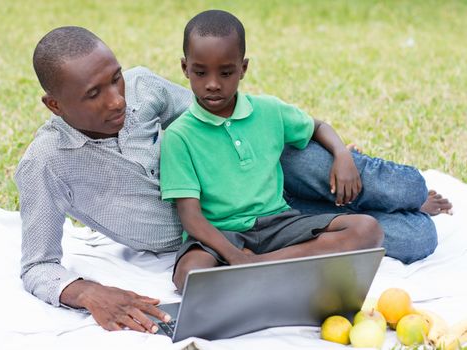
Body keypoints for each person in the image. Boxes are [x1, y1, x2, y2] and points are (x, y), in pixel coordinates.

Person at [16, 25, 450, 333]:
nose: (117, 100)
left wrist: (335, 153)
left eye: (115, 79)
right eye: (94, 94)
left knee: (399, 189)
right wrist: (87, 291)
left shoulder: (143, 87)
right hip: (220, 233)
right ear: (54, 105)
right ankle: (365, 215)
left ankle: (394, 193)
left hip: (257, 176)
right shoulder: (46, 165)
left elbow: (214, 116)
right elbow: (37, 265)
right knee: (416, 240)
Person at [160, 10, 387, 291]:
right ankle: (277, 268)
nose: (213, 83)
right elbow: (191, 217)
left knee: (367, 230)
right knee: (190, 274)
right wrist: (233, 256)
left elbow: (317, 126)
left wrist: (342, 155)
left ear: (243, 68)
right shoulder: (179, 136)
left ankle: (263, 265)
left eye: (227, 72)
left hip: (278, 223)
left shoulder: (269, 110)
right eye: (200, 72)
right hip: (221, 234)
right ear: (184, 68)